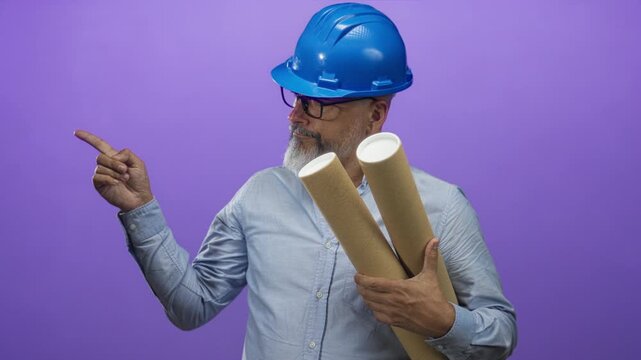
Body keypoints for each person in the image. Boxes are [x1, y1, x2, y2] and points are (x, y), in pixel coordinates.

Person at [76, 3, 516, 359]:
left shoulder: (439, 206)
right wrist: (140, 209)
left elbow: (500, 332)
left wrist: (440, 320)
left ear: (376, 114)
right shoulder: (260, 194)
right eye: (296, 97)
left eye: (317, 104)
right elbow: (192, 306)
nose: (294, 115)